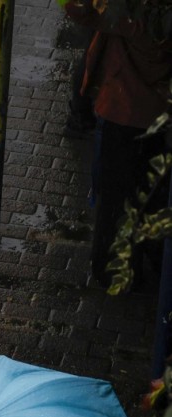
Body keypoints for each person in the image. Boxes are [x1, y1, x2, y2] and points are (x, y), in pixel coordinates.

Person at [62, 0, 172, 288]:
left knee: (115, 197)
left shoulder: (127, 12)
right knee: (155, 193)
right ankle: (154, 260)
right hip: (161, 114)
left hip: (124, 110)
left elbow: (79, 8)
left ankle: (115, 269)